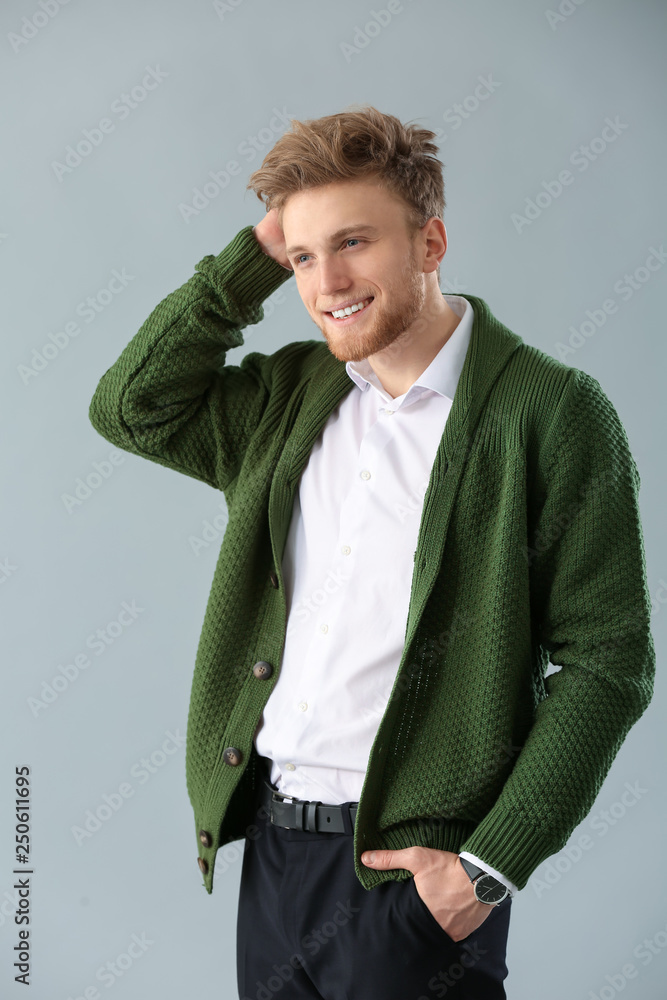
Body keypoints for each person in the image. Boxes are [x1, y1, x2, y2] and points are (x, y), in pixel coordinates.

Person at [88, 105, 655, 999]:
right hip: (273, 855)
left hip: (410, 878)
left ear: (429, 242)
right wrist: (251, 260)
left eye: (353, 242)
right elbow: (130, 408)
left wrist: (489, 868)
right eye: (304, 257)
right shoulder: (289, 396)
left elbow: (608, 662)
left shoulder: (550, 413)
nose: (326, 283)